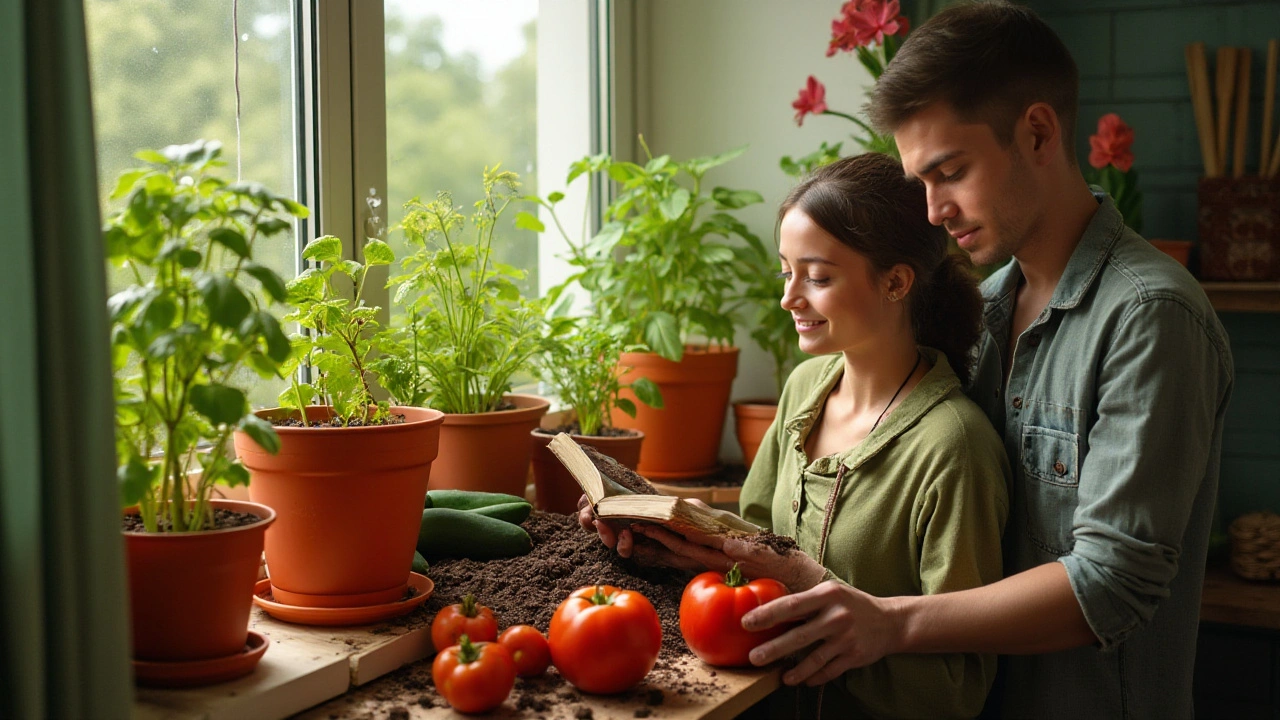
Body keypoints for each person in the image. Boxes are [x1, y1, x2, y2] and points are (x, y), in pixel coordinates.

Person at [711, 2, 1231, 718]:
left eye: (949, 172)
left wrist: (890, 624)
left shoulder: (1151, 317)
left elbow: (1114, 581)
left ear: (1038, 132)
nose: (931, 212)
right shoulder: (985, 312)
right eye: (919, 181)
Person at [581, 152, 1012, 718]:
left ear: (896, 282)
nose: (789, 298)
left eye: (818, 277)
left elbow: (957, 688)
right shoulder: (805, 388)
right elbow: (755, 544)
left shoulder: (954, 447)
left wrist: (806, 584)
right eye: (787, 272)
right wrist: (667, 541)